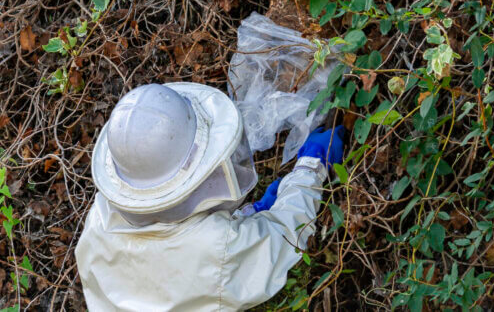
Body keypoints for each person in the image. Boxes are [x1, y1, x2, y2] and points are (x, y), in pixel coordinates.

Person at [75, 83, 346, 311]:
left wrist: (247, 216)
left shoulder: (97, 221)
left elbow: (167, 243)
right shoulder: (218, 250)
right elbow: (286, 235)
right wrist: (310, 168)